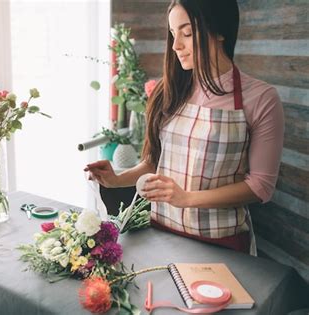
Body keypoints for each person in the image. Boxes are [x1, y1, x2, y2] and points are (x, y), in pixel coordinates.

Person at [85, 0, 284, 255]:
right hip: (162, 234)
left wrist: (187, 199)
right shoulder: (168, 92)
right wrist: (116, 180)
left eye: (187, 33)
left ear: (221, 31)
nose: (176, 45)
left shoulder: (261, 98)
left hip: (222, 243)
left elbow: (260, 187)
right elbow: (156, 161)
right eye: (172, 34)